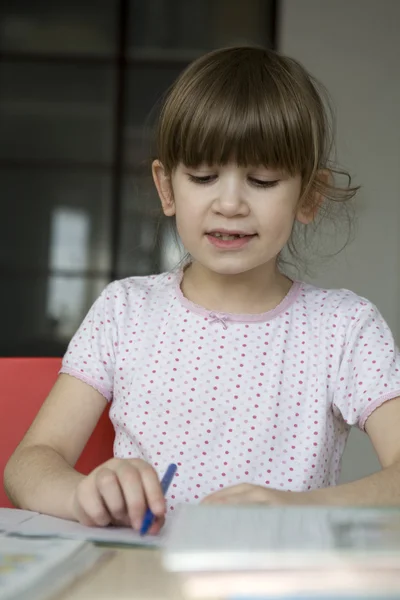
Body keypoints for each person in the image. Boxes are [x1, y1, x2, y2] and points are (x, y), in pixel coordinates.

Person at [4, 47, 400, 535]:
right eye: (204, 176)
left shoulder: (343, 327)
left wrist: (304, 509)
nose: (229, 203)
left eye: (262, 179)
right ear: (167, 188)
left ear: (309, 196)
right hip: (141, 577)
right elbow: (28, 465)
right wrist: (84, 492)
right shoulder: (125, 310)